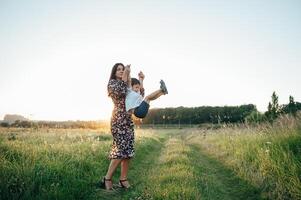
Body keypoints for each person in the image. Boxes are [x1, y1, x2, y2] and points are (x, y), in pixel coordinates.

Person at [100, 63, 134, 190]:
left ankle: (123, 179)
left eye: (122, 69)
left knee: (128, 151)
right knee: (121, 150)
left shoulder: (126, 82)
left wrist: (141, 80)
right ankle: (107, 178)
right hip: (118, 120)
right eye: (118, 69)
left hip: (128, 121)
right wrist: (126, 74)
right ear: (114, 73)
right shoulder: (112, 84)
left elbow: (135, 95)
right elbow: (120, 90)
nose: (121, 71)